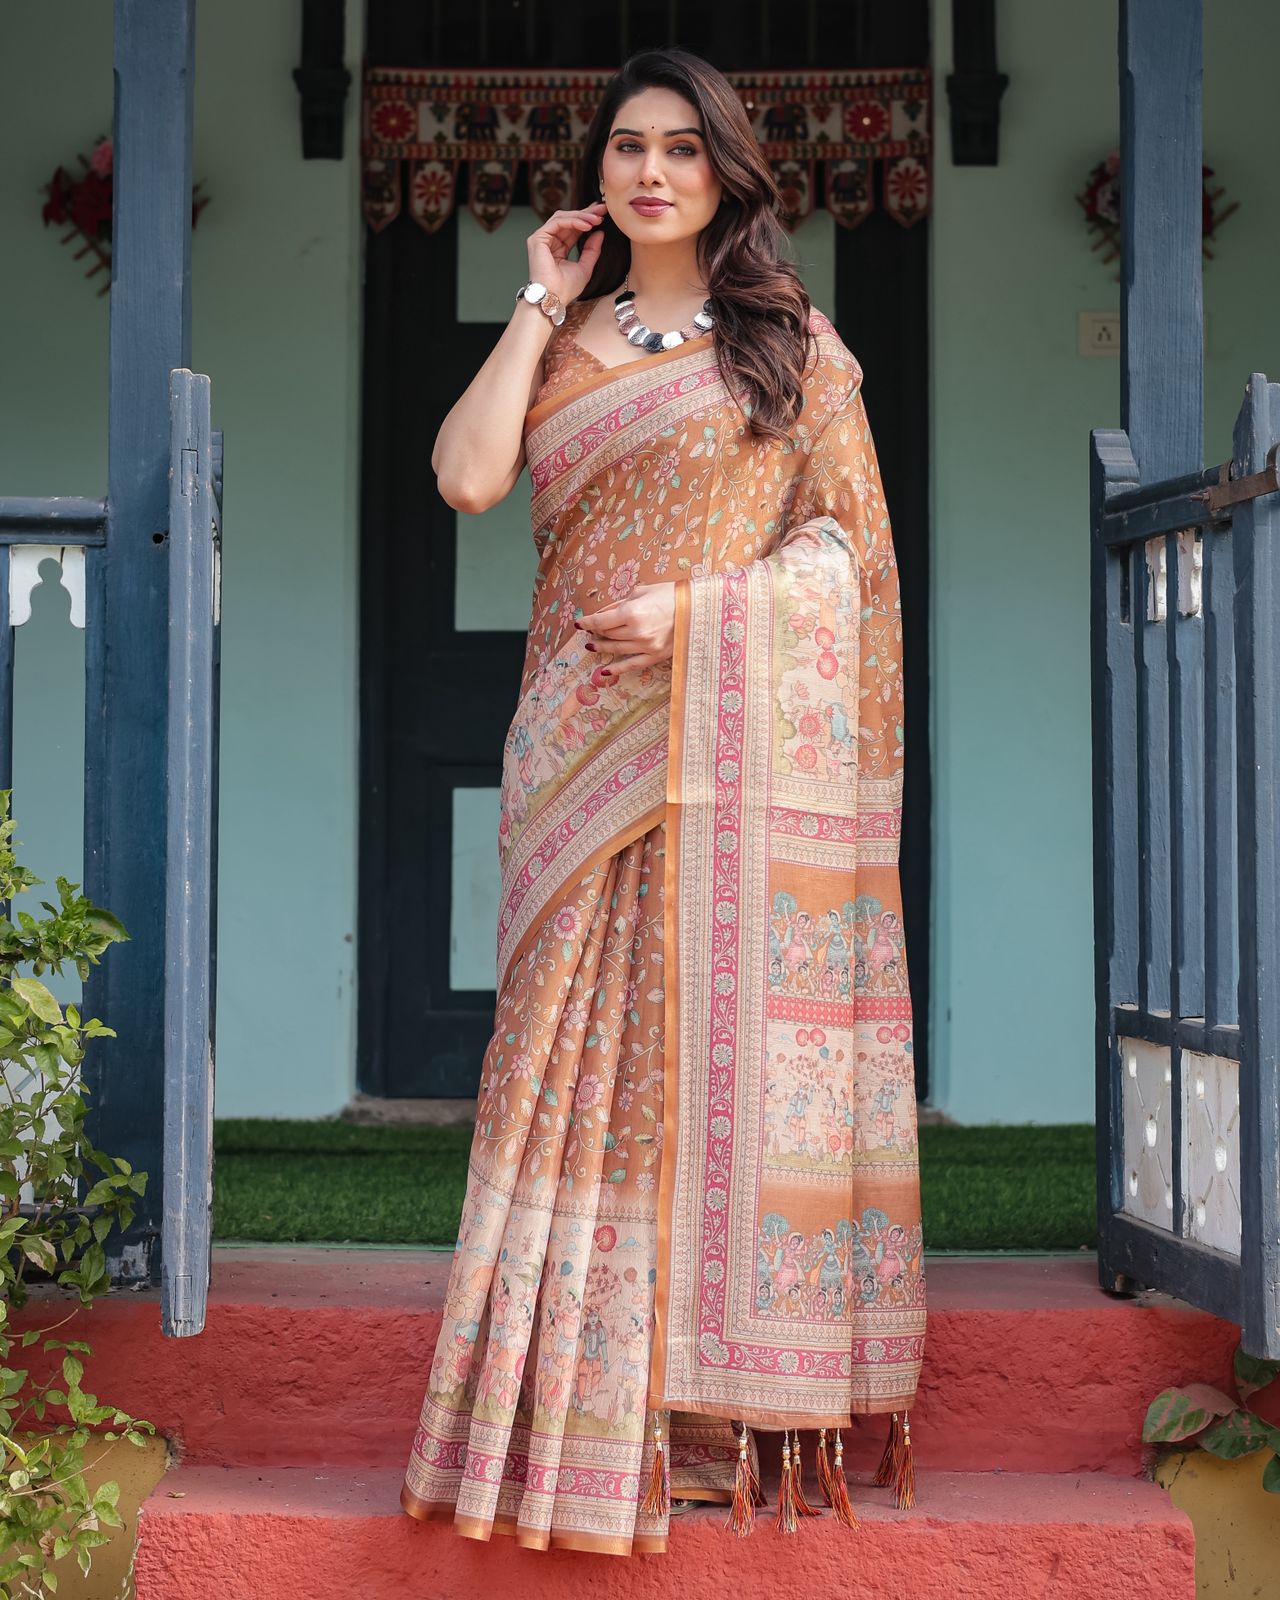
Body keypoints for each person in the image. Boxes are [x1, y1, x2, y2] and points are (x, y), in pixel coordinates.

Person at [400, 45, 926, 1557]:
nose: (649, 173)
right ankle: (556, 1426)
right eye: (627, 148)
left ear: (726, 174)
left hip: (725, 755)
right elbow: (466, 479)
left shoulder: (795, 352)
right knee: (561, 1074)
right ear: (597, 178)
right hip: (577, 752)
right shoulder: (563, 341)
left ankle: (701, 1428)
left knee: (704, 1075)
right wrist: (531, 303)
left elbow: (853, 565)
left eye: (682, 151)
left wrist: (705, 616)